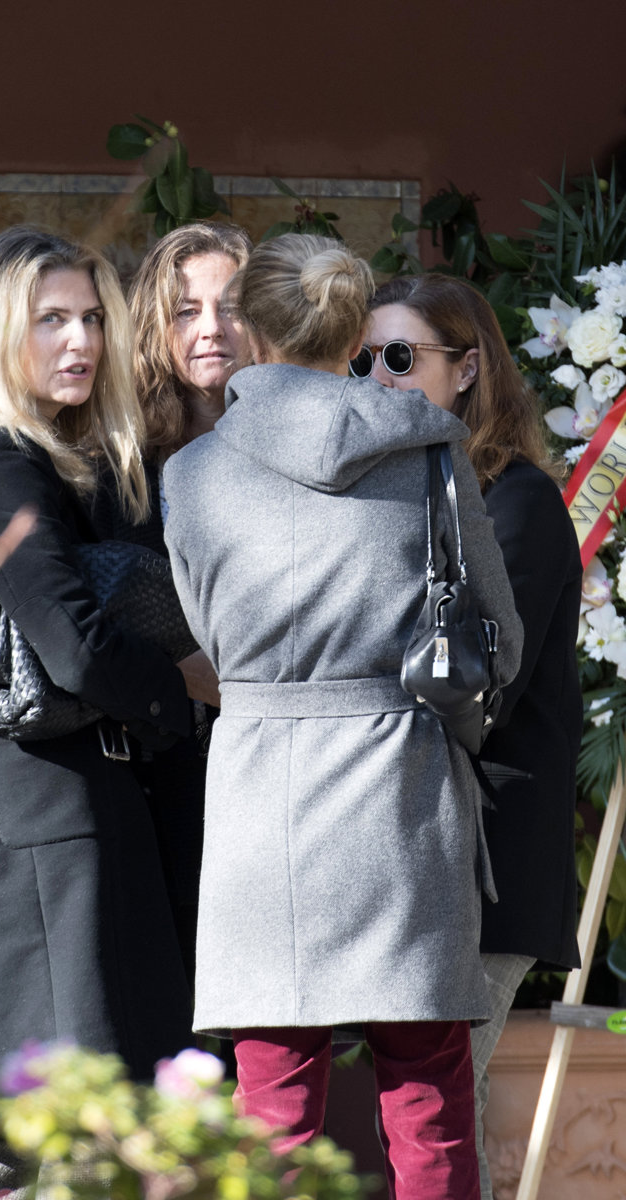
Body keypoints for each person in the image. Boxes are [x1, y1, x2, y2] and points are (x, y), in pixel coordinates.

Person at [162, 234, 524, 1200]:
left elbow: (206, 633)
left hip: (258, 801)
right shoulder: (429, 449)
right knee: (429, 1104)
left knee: (271, 1112)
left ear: (253, 327)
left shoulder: (191, 473)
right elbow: (498, 637)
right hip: (403, 791)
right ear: (356, 332)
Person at [0, 226, 197, 1199]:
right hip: (40, 839)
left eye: (91, 318)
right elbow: (74, 647)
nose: (80, 341)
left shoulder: (23, 457)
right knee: (76, 1124)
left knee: (40, 1127)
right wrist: (185, 686)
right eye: (50, 319)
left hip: (31, 825)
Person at [362, 274, 582, 1200]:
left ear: (467, 368)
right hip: (412, 851)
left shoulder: (516, 501)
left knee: (443, 1113)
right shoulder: (397, 491)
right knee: (432, 1119)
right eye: (361, 360)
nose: (378, 378)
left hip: (485, 859)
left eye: (400, 357)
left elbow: (477, 689)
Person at [92, 221, 252, 987]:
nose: (211, 327)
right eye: (187, 310)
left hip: (275, 772)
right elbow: (106, 606)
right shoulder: (117, 463)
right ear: (155, 328)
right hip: (158, 773)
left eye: (232, 305)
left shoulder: (301, 454)